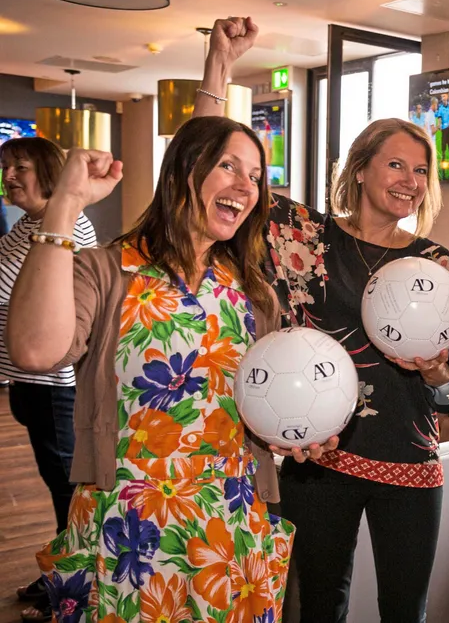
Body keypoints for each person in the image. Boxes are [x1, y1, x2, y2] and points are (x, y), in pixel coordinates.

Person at [196, 17, 449, 622]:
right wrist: (220, 64)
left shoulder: (434, 263)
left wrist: (437, 373)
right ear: (361, 169)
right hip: (316, 458)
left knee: (406, 611)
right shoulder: (300, 235)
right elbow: (206, 163)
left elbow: (448, 397)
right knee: (318, 606)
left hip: (411, 463)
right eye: (397, 166)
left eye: (421, 171)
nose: (411, 182)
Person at [7, 116, 297, 622]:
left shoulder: (253, 292)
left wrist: (295, 432)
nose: (246, 186)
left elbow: (264, 401)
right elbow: (33, 351)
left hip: (228, 518)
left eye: (254, 175)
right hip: (128, 527)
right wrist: (65, 203)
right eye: (228, 166)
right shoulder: (107, 270)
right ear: (185, 170)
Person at [0, 137, 98, 623]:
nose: (9, 176)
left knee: (69, 496)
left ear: (49, 172)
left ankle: (73, 593)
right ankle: (60, 576)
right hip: (27, 385)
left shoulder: (68, 226)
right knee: (59, 490)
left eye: (20, 166)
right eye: (5, 167)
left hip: (57, 388)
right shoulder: (27, 224)